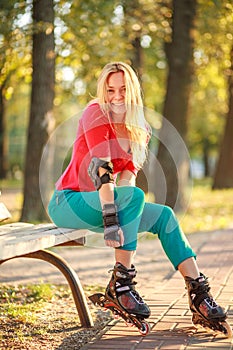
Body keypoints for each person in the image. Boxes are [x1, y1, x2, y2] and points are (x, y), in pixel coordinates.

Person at [48, 62, 226, 324]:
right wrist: (112, 219)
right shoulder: (95, 113)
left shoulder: (139, 128)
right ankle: (121, 285)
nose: (116, 97)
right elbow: (103, 170)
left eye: (122, 89)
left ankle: (199, 293)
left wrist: (125, 216)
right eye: (110, 90)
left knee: (164, 216)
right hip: (70, 202)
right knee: (135, 197)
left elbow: (128, 178)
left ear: (133, 90)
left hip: (103, 201)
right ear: (103, 91)